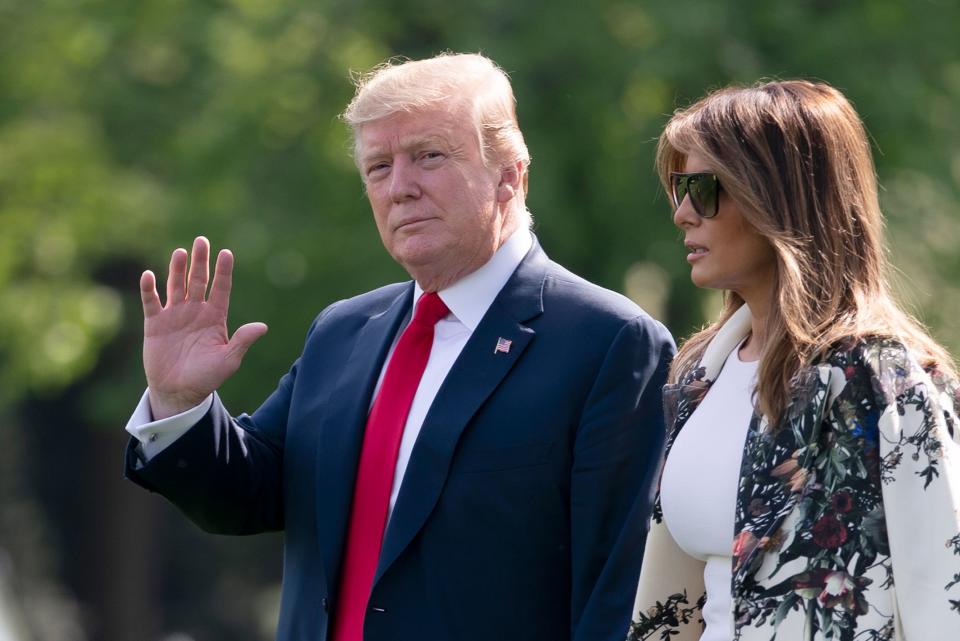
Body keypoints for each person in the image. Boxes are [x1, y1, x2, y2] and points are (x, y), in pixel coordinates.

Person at [123, 53, 675, 641]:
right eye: (378, 166)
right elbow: (245, 498)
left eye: (429, 156)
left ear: (510, 174)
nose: (400, 188)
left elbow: (616, 594)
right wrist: (179, 402)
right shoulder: (342, 331)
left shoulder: (610, 341)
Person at [626, 80, 960, 641]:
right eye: (677, 189)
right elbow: (674, 606)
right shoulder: (700, 374)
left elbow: (946, 598)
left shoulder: (885, 379)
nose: (682, 213)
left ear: (777, 197)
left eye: (703, 188)